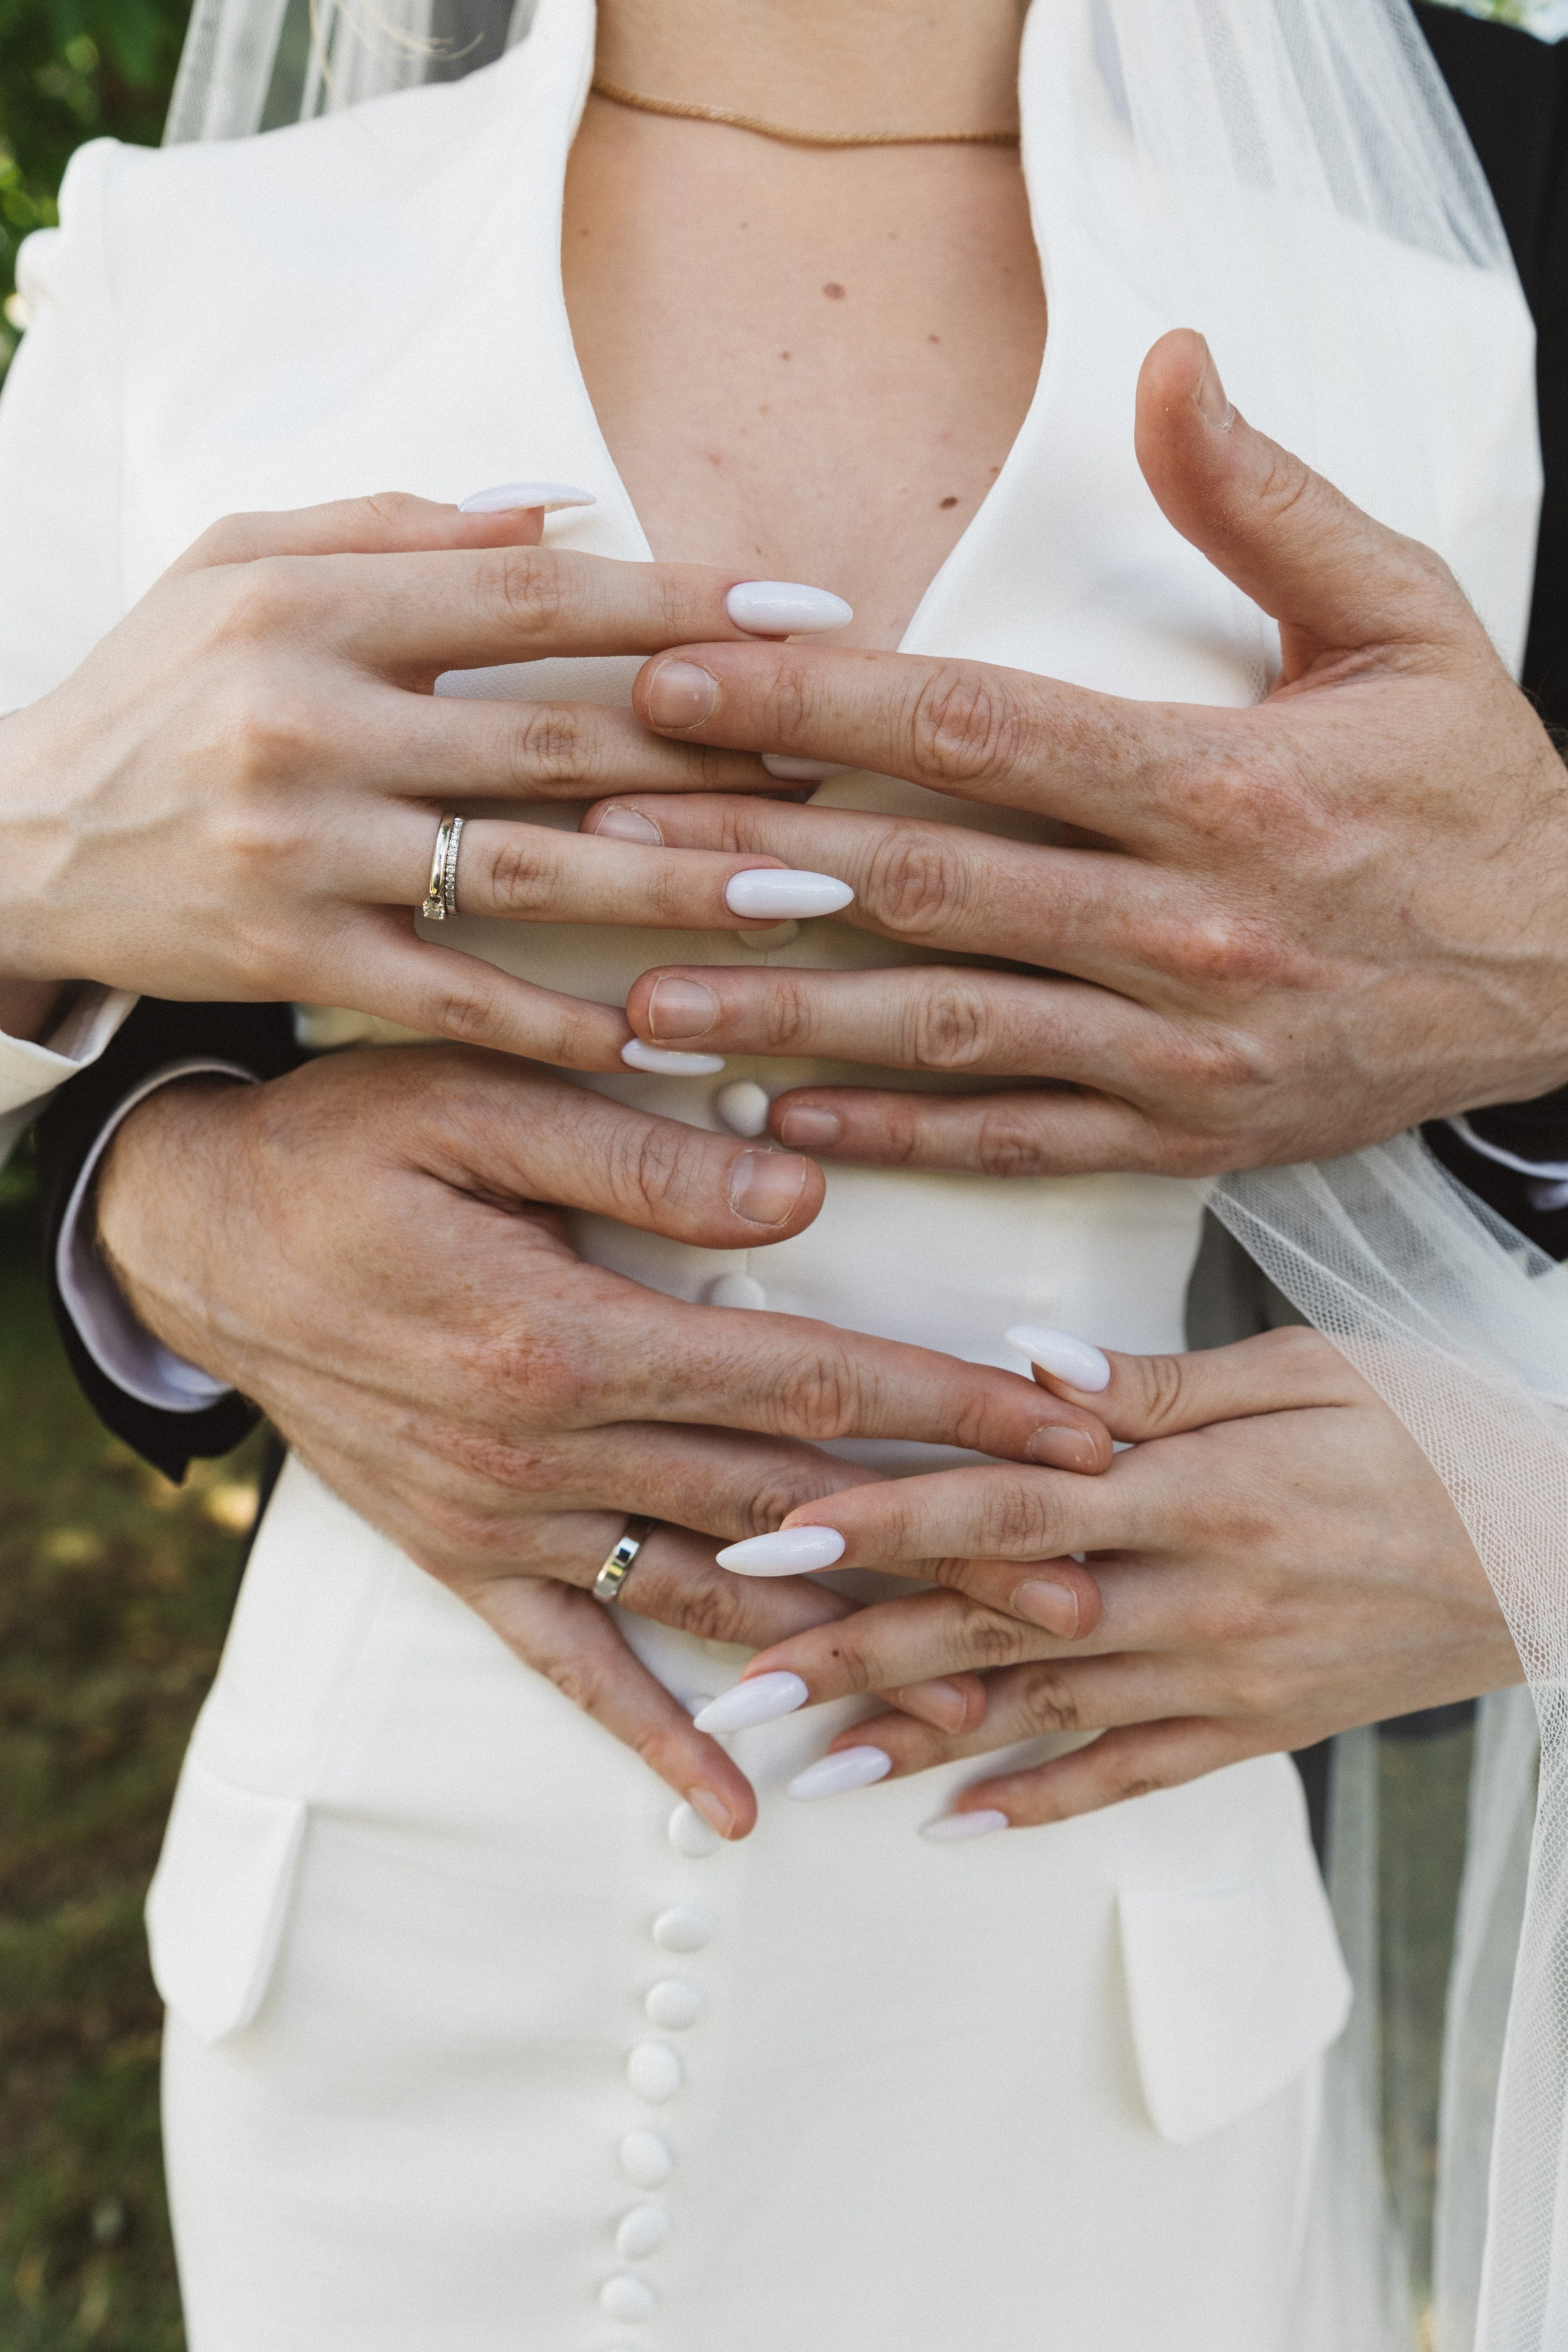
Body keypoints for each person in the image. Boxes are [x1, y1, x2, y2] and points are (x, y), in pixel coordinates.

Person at [1, 0, 1566, 2346]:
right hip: (382, 1969)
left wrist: (1528, 1498)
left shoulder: (1422, 319)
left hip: (1082, 1967)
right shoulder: (199, 258)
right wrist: (47, 895)